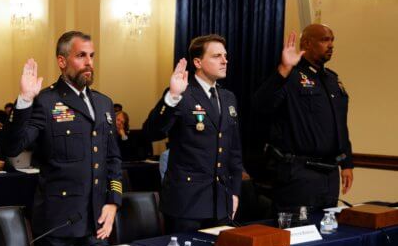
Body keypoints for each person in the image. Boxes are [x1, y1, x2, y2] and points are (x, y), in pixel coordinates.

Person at [4, 30, 122, 246]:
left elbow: (113, 158)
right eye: (81, 56)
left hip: (96, 222)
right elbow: (12, 147)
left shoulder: (103, 103)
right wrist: (25, 100)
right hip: (58, 225)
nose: (89, 63)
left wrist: (113, 201)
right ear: (62, 61)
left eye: (92, 56)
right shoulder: (46, 101)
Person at [143, 34, 243, 233]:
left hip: (220, 202)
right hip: (187, 204)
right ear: (197, 62)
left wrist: (234, 192)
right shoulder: (182, 93)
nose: (225, 61)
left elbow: (234, 152)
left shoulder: (228, 97)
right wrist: (172, 96)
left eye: (225, 55)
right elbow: (151, 133)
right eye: (216, 56)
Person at [253, 25, 353, 212]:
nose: (331, 45)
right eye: (324, 40)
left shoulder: (332, 80)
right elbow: (261, 105)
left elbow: (340, 125)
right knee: (298, 228)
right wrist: (283, 70)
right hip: (299, 173)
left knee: (327, 227)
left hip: (329, 173)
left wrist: (346, 163)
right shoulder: (290, 76)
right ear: (307, 43)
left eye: (332, 40)